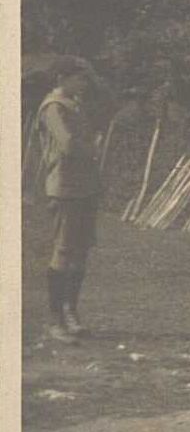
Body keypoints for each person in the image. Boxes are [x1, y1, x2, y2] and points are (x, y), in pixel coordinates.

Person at [36, 69, 102, 342]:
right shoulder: (53, 107)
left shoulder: (76, 105)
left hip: (85, 186)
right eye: (77, 78)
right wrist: (93, 148)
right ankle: (55, 321)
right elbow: (67, 144)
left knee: (81, 250)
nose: (83, 83)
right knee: (63, 250)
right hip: (64, 187)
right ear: (62, 78)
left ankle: (70, 312)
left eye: (85, 79)